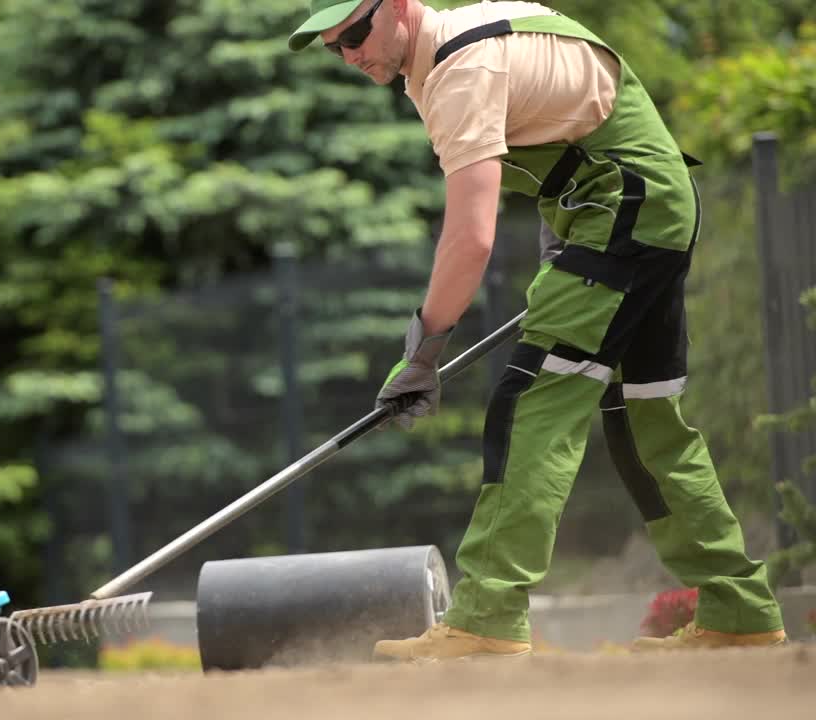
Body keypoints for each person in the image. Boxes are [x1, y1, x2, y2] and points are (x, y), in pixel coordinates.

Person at [287, 0, 787, 660]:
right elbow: (573, 115)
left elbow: (470, 239)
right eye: (333, 46)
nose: (349, 53)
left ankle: (487, 618)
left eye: (355, 32)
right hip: (645, 205)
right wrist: (565, 248)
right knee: (645, 419)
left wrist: (424, 350)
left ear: (400, 6)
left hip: (624, 208)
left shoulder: (462, 67)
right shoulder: (447, 52)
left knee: (530, 402)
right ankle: (738, 611)